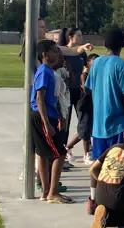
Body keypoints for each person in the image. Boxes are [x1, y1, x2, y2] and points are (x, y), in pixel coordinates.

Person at [85, 29, 124, 215]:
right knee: (120, 168)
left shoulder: (96, 62)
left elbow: (88, 89)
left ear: (105, 44)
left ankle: (93, 201)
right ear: (122, 44)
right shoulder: (123, 65)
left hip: (99, 125)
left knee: (98, 165)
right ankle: (118, 205)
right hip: (118, 124)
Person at [30, 39, 71, 204]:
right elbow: (39, 97)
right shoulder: (45, 72)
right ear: (45, 55)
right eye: (54, 51)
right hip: (43, 116)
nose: (57, 53)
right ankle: (52, 192)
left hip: (47, 115)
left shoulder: (48, 71)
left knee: (43, 155)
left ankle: (46, 191)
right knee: (60, 154)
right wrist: (47, 123)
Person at [61, 28, 89, 163]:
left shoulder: (82, 53)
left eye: (82, 35)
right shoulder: (63, 51)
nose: (81, 38)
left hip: (79, 91)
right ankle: (64, 151)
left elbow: (85, 67)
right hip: (66, 91)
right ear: (70, 37)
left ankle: (87, 152)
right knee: (65, 123)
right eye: (78, 35)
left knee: (85, 121)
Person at [67, 53, 98, 167]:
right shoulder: (84, 75)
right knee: (84, 129)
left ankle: (68, 147)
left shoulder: (96, 75)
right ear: (88, 63)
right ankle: (87, 154)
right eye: (94, 62)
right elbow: (86, 90)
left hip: (92, 104)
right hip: (84, 103)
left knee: (85, 129)